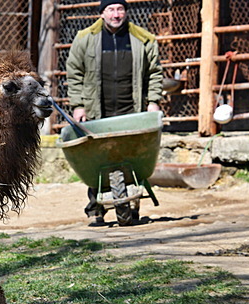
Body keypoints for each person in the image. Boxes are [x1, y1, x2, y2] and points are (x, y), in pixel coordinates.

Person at [66, 0, 163, 226]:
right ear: (102, 13)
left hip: (132, 106)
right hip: (98, 108)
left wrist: (153, 101)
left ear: (126, 12)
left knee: (133, 155)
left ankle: (134, 203)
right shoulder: (85, 39)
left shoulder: (143, 39)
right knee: (98, 158)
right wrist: (78, 105)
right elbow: (74, 73)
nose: (116, 14)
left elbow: (155, 73)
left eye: (120, 9)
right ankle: (95, 208)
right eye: (111, 9)